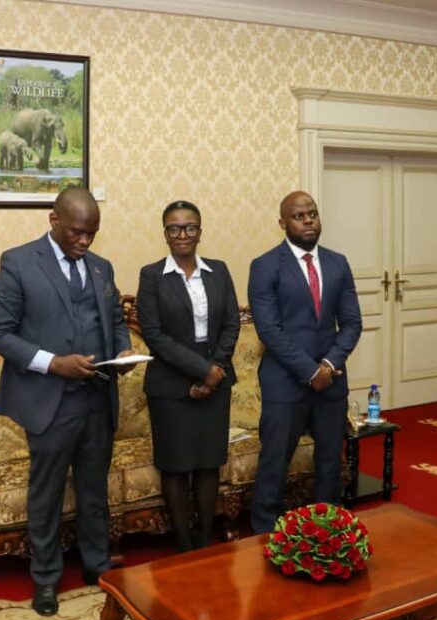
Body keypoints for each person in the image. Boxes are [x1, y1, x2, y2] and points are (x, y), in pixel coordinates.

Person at [0, 187, 135, 616]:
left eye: (92, 233)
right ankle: (46, 580)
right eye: (76, 232)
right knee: (47, 495)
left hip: (97, 397)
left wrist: (123, 351)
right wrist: (53, 363)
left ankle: (97, 567)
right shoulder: (18, 263)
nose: (84, 241)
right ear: (54, 221)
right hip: (49, 401)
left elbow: (115, 321)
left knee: (93, 491)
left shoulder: (102, 267)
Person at [247, 191, 362, 534]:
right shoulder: (265, 266)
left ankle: (328, 533)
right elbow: (269, 330)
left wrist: (327, 365)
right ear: (283, 223)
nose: (308, 220)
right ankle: (264, 535)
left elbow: (352, 323)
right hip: (285, 383)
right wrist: (310, 371)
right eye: (299, 216)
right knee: (274, 464)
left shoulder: (338, 263)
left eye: (312, 213)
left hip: (331, 381)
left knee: (329, 463)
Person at [136, 200, 241, 552]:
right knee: (176, 466)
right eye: (174, 228)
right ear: (165, 233)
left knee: (209, 463)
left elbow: (231, 324)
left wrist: (215, 372)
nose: (182, 234)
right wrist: (201, 372)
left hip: (217, 379)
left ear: (200, 232)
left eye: (190, 227)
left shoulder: (219, 270)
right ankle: (184, 548)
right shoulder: (152, 275)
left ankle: (205, 544)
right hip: (170, 384)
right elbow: (155, 335)